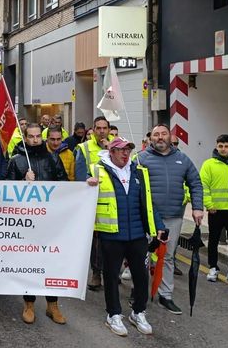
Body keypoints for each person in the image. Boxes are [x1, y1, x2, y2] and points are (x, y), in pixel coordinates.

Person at [86, 138, 167, 337]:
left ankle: (138, 312)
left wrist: (159, 225)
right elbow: (83, 198)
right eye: (121, 150)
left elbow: (148, 202)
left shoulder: (139, 171)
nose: (125, 154)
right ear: (111, 152)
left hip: (138, 234)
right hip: (111, 233)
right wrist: (87, 185)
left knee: (141, 276)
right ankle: (113, 314)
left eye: (128, 150)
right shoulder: (97, 170)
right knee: (112, 276)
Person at [135, 124, 204, 315]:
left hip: (173, 216)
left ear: (170, 136)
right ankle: (138, 291)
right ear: (150, 138)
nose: (160, 138)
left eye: (163, 134)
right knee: (143, 256)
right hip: (147, 218)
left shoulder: (183, 159)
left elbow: (196, 183)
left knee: (168, 257)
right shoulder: (140, 159)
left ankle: (166, 295)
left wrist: (198, 207)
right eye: (156, 135)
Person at [6, 123, 69, 325]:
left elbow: (65, 185)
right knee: (30, 265)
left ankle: (53, 305)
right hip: (26, 224)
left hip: (49, 222)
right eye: (31, 136)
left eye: (37, 137)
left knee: (51, 264)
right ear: (24, 138)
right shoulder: (16, 161)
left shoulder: (52, 158)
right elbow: (5, 191)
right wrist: (23, 181)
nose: (34, 140)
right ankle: (29, 304)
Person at [74, 116, 114, 291]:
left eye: (105, 128)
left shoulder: (117, 146)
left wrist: (110, 149)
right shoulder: (84, 148)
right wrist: (87, 179)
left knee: (114, 241)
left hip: (114, 201)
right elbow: (79, 175)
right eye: (98, 128)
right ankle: (97, 273)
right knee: (97, 242)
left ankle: (112, 272)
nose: (102, 131)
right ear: (93, 130)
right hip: (94, 201)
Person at [200, 134, 228, 283]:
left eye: (226, 146)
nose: (223, 149)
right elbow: (204, 186)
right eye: (220, 146)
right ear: (216, 146)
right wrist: (209, 204)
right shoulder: (208, 164)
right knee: (213, 240)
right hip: (215, 210)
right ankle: (213, 267)